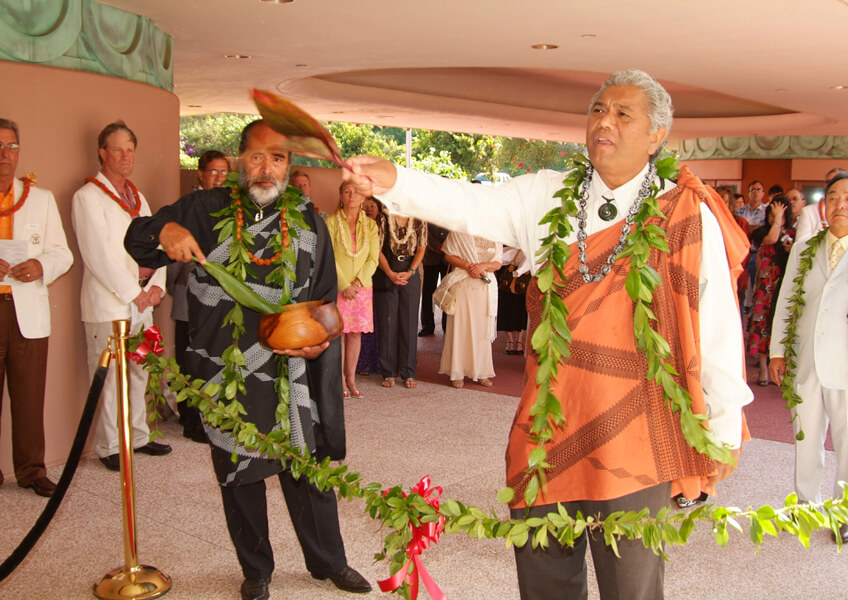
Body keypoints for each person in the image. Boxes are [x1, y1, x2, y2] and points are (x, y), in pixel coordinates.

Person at [343, 68, 752, 600]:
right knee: (545, 581)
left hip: (638, 433)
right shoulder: (548, 194)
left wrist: (719, 432)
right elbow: (471, 203)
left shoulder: (686, 213)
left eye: (622, 113)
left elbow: (716, 327)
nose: (604, 121)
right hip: (548, 428)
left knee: (632, 585)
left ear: (657, 135)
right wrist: (395, 181)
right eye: (598, 110)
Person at [124, 119, 370, 600]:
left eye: (277, 158)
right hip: (225, 372)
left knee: (307, 469)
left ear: (288, 165)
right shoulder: (203, 208)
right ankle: (256, 569)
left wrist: (321, 339)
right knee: (240, 473)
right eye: (256, 157)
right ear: (239, 162)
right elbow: (137, 240)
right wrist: (165, 229)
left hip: (293, 369)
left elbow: (325, 301)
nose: (266, 168)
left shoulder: (306, 217)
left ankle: (329, 563)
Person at [72, 120, 171, 472]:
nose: (125, 156)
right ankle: (110, 444)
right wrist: (134, 293)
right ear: (103, 153)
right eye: (118, 149)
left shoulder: (138, 196)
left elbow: (155, 241)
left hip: (142, 305)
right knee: (110, 375)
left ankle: (139, 435)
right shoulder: (87, 197)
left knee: (141, 369)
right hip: (109, 304)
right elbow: (97, 255)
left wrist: (156, 285)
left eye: (130, 149)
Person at [770, 172, 848, 544]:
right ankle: (804, 505)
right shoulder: (804, 249)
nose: (840, 205)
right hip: (806, 359)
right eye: (833, 198)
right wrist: (778, 350)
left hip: (845, 361)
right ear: (823, 206)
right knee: (807, 436)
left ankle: (844, 511)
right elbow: (786, 302)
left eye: (847, 198)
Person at [0, 118, 73, 497]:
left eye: (11, 146)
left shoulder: (40, 199)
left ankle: (31, 470)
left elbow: (63, 254)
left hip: (26, 310)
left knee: (30, 397)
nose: (4, 155)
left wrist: (41, 266)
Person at [172, 149, 231, 442]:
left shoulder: (231, 210)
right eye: (213, 172)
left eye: (224, 173)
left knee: (216, 359)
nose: (219, 178)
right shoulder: (186, 209)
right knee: (190, 359)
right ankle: (191, 421)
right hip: (190, 298)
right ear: (200, 174)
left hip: (221, 303)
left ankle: (215, 417)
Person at [326, 181, 379, 398]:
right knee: (338, 334)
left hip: (361, 288)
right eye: (347, 192)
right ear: (340, 195)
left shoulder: (371, 225)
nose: (352, 196)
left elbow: (373, 259)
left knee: (356, 334)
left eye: (356, 192)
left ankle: (351, 379)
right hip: (338, 286)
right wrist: (343, 285)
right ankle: (338, 382)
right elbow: (327, 255)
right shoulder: (330, 222)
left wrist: (356, 284)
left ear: (364, 197)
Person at [438, 231, 501, 388]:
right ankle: (457, 371)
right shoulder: (459, 230)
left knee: (482, 331)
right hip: (463, 283)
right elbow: (448, 255)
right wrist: (468, 266)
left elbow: (498, 263)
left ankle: (481, 371)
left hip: (485, 286)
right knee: (461, 327)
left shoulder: (495, 232)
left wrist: (483, 266)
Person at [372, 208, 426, 389]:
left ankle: (408, 372)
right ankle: (388, 373)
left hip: (410, 270)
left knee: (409, 322)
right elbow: (377, 249)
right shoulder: (383, 218)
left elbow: (421, 248)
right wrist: (389, 273)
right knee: (388, 322)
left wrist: (411, 272)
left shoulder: (418, 219)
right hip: (387, 270)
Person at [747, 195, 793, 386]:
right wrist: (776, 220)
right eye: (774, 211)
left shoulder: (793, 233)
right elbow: (771, 239)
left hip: (785, 282)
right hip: (766, 285)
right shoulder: (762, 231)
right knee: (763, 322)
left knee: (781, 322)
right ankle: (763, 369)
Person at [796, 167, 845, 243]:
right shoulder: (808, 211)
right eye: (828, 182)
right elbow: (801, 244)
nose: (831, 185)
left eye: (836, 181)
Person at [419, 221, 449, 337]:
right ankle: (427, 325)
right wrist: (436, 245)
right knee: (428, 293)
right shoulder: (429, 209)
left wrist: (446, 246)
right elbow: (424, 230)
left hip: (449, 258)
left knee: (447, 293)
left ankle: (447, 326)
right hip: (430, 256)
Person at [497, 247, 529, 356]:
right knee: (507, 309)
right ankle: (510, 341)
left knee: (522, 309)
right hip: (507, 276)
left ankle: (520, 341)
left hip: (525, 278)